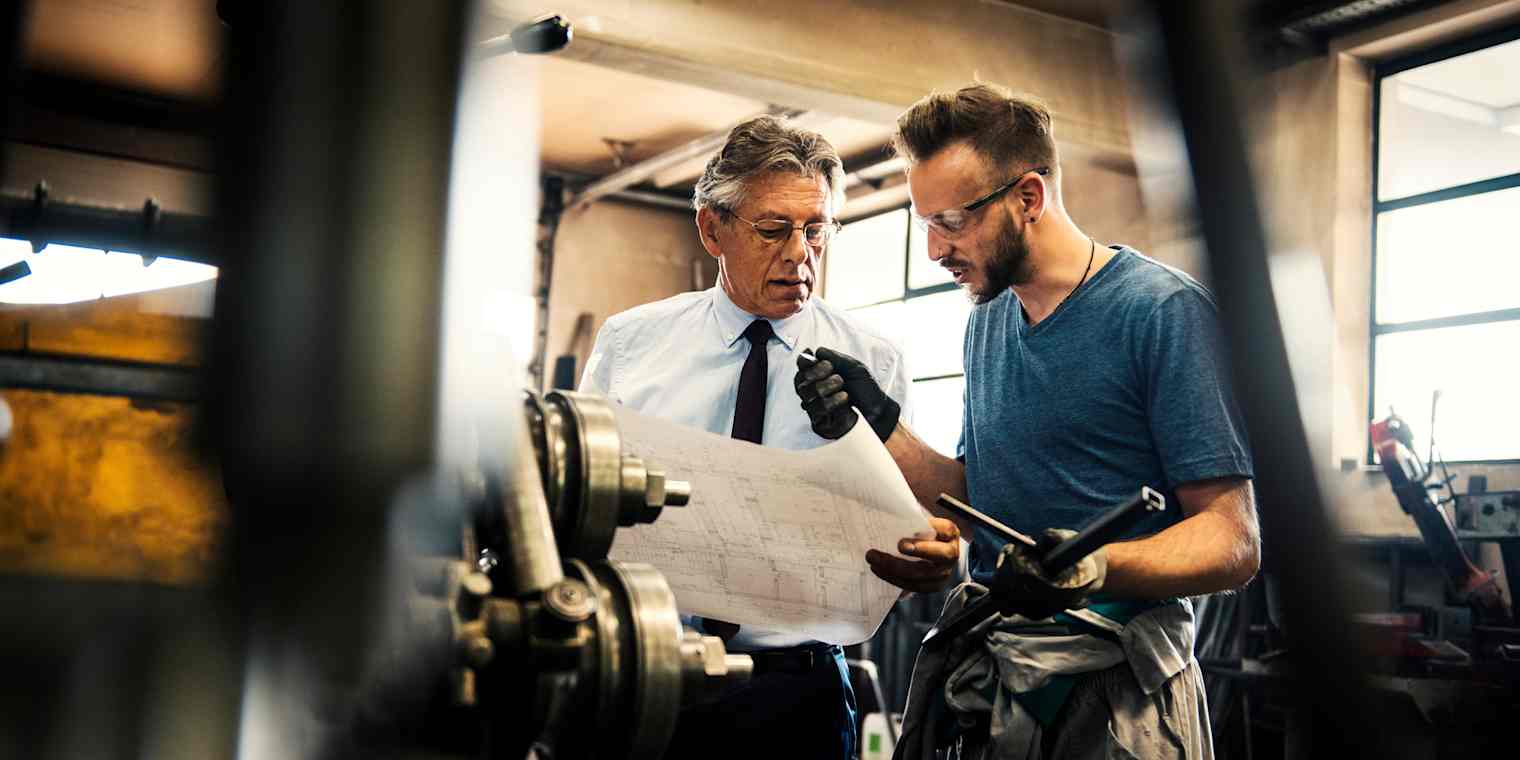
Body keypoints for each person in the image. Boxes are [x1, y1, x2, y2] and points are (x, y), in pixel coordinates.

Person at [794, 84, 1259, 759]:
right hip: (999, 679)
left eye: (951, 220)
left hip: (1115, 695)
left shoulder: (1162, 313)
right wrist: (875, 424)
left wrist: (1089, 566)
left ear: (1029, 198)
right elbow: (985, 495)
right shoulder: (987, 318)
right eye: (924, 222)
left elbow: (1233, 542)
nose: (932, 249)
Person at [579, 114, 962, 760]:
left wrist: (935, 557)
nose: (799, 254)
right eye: (774, 229)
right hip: (646, 675)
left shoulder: (877, 362)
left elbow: (920, 525)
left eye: (817, 230)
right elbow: (583, 496)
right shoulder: (631, 343)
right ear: (713, 229)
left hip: (797, 695)